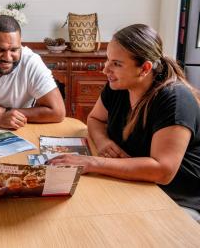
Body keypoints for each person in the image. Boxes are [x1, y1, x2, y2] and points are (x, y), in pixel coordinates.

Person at [48, 24, 200, 222]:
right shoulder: (118, 85)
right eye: (107, 60)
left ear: (144, 68)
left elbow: (163, 171)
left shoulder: (174, 99)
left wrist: (92, 162)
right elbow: (95, 119)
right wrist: (102, 141)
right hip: (135, 185)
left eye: (117, 64)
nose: (105, 69)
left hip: (177, 199)